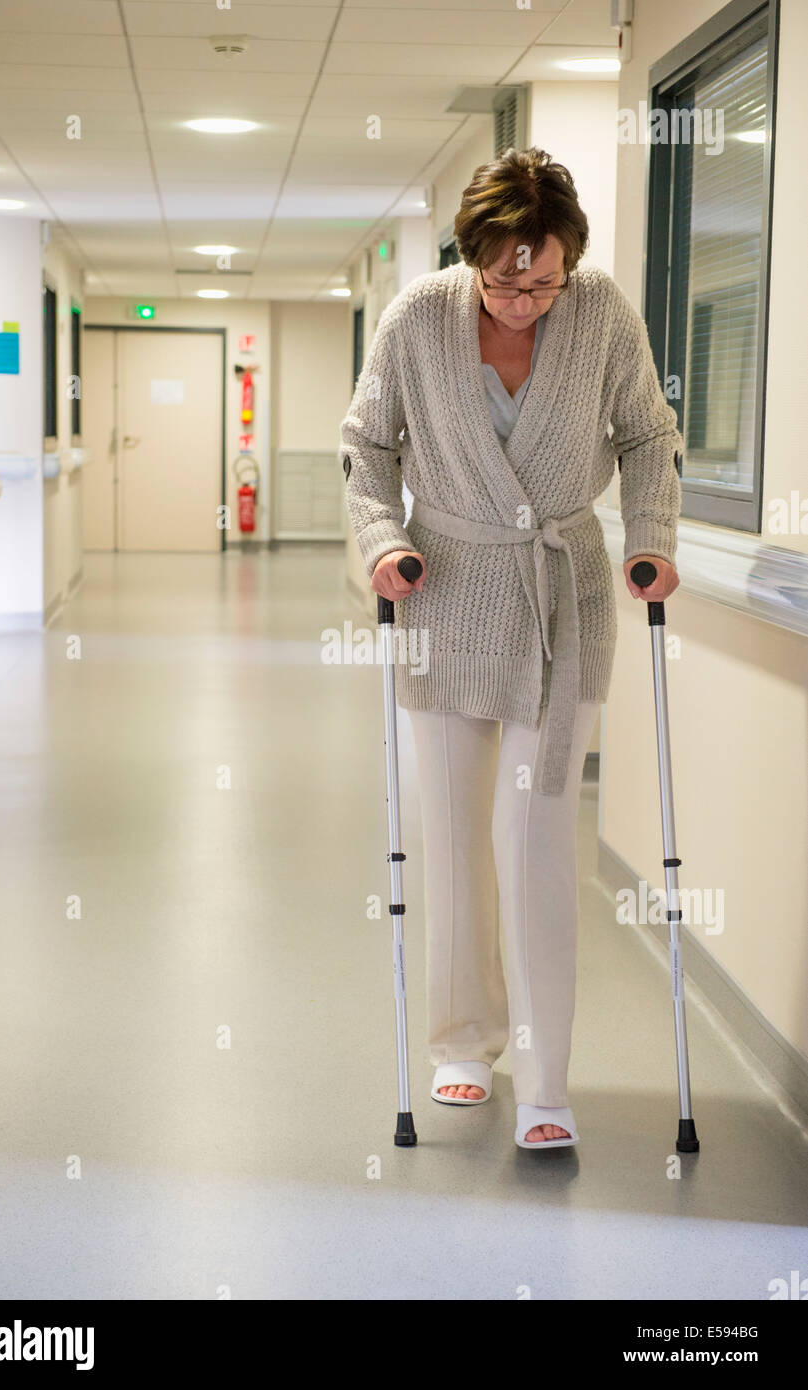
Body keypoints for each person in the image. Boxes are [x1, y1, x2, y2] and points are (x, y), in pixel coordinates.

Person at [340, 147, 681, 1149]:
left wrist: (653, 539)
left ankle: (544, 1078)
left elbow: (646, 436)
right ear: (473, 256)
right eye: (504, 279)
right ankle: (459, 1042)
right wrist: (382, 542)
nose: (524, 298)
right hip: (445, 591)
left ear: (568, 262)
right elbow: (367, 448)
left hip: (558, 601)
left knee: (532, 848)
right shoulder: (416, 318)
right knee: (450, 838)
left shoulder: (602, 313)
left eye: (544, 279)